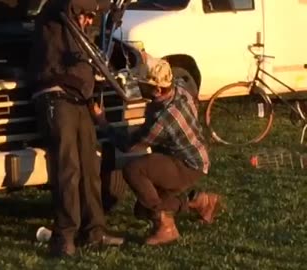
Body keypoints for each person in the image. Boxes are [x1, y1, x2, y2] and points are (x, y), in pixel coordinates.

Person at [28, 0, 124, 257]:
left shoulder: (79, 28)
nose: (89, 20)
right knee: (68, 168)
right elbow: (73, 3)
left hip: (80, 98)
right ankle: (65, 236)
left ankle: (95, 230)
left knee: (90, 166)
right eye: (87, 16)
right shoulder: (54, 11)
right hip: (56, 96)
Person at [93, 57, 222, 245]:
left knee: (134, 170)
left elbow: (129, 145)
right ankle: (200, 202)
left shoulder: (163, 118)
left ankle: (166, 226)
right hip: (193, 156)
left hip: (186, 165)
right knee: (141, 209)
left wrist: (102, 121)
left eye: (144, 85)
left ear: (158, 89)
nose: (140, 87)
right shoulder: (178, 88)